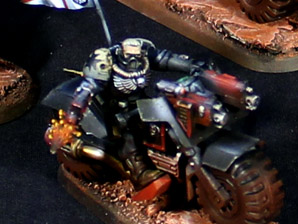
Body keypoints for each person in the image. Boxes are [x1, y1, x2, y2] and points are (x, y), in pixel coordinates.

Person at [57, 38, 211, 199]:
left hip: (139, 102)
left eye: (137, 55)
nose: (135, 59)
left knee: (165, 120)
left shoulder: (143, 55)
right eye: (130, 55)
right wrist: (74, 113)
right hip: (115, 108)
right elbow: (87, 88)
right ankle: (139, 172)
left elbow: (165, 59)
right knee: (129, 133)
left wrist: (192, 65)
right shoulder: (106, 62)